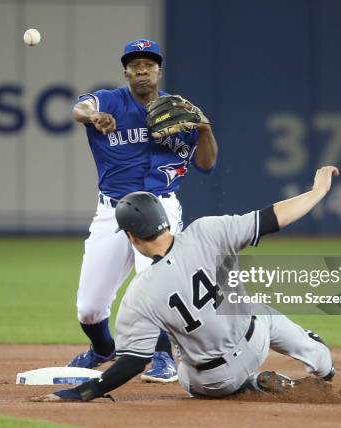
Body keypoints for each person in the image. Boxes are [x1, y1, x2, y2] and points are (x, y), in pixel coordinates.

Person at [33, 166, 339, 402]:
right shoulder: (208, 232)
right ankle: (320, 361)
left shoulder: (140, 294)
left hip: (215, 380)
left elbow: (132, 363)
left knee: (185, 373)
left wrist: (79, 393)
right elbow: (273, 218)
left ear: (131, 237)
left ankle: (251, 385)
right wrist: (317, 191)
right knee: (257, 310)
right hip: (255, 337)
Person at [68, 38, 218, 383]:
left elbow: (207, 164)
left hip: (160, 207)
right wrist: (94, 116)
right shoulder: (110, 101)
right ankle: (103, 350)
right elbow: (79, 110)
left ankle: (163, 356)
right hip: (112, 210)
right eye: (135, 64)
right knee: (89, 308)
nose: (142, 69)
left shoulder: (178, 109)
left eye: (148, 64)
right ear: (126, 71)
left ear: (158, 71)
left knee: (155, 282)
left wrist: (204, 129)